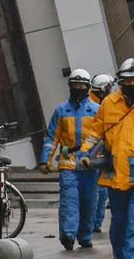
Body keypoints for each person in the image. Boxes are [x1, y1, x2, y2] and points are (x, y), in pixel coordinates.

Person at [78, 58, 134, 259]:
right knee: (119, 226)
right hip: (114, 176)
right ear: (121, 82)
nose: (133, 85)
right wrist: (85, 152)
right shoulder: (109, 104)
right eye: (128, 81)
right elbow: (95, 133)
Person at [40, 69, 101, 250]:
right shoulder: (61, 110)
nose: (78, 88)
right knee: (69, 200)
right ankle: (68, 234)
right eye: (75, 85)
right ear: (70, 87)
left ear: (88, 87)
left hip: (89, 164)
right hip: (68, 163)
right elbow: (51, 137)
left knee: (89, 201)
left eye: (82, 86)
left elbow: (102, 138)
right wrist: (45, 160)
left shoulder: (97, 111)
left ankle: (85, 235)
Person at [88, 73, 115, 235]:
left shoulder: (98, 104)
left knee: (102, 191)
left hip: (99, 153)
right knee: (97, 192)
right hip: (95, 154)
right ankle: (93, 223)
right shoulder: (98, 107)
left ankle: (95, 223)